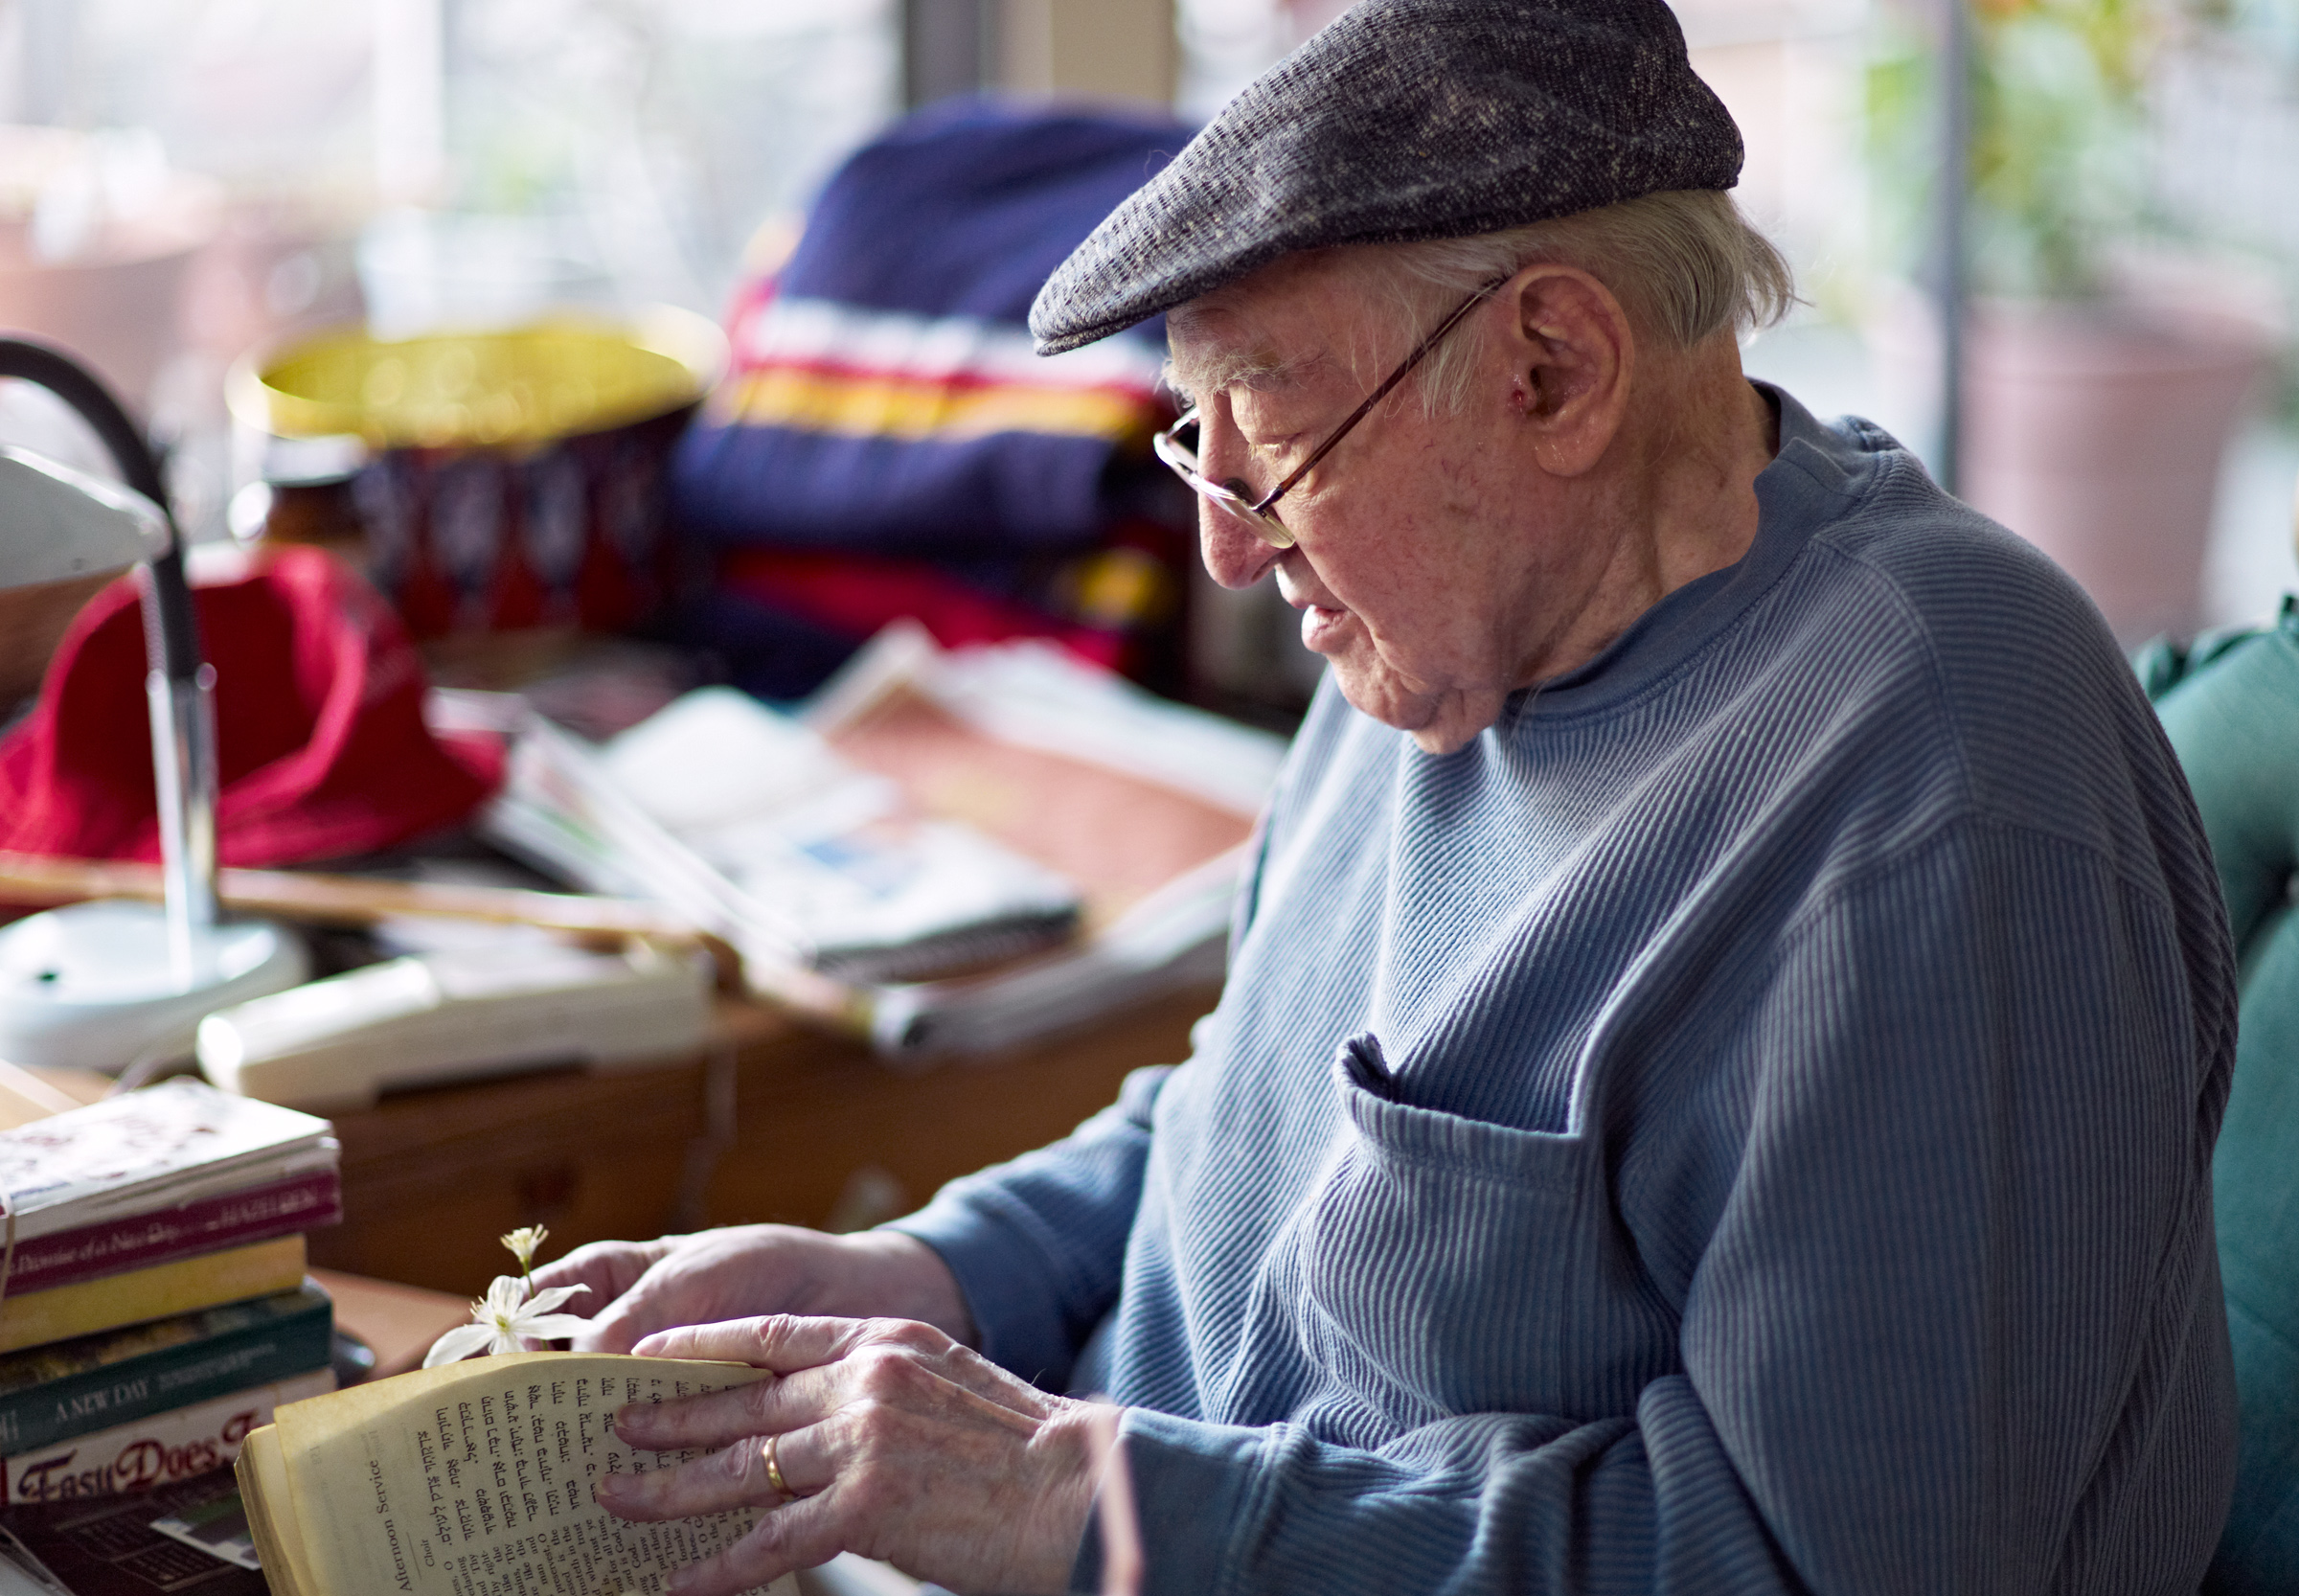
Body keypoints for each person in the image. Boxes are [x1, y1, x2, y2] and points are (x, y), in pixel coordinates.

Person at [535, 2, 2241, 1590]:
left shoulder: (1942, 778)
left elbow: (1817, 1568)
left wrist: (1075, 1497)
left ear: (1551, 369)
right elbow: (1239, 1136)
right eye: (1191, 435)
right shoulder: (1441, 623)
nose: (1223, 535)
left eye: (1261, 422)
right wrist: (935, 1276)